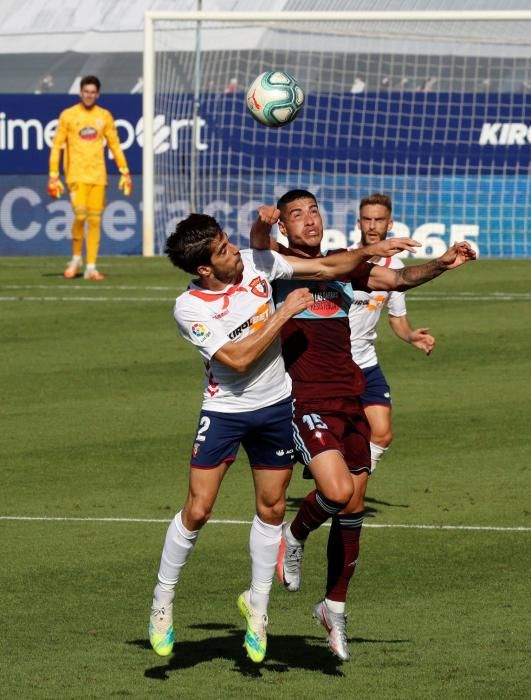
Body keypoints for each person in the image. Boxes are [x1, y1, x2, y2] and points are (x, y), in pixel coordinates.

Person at [148, 213, 418, 664]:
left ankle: (258, 606)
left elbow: (327, 269)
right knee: (198, 508)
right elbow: (236, 359)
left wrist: (368, 253)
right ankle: (163, 598)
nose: (233, 249)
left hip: (276, 408)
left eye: (228, 240)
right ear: (204, 270)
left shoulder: (258, 263)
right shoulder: (189, 308)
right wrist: (284, 313)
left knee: (271, 509)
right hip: (225, 412)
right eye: (221, 250)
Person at [250, 189, 475, 662]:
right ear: (284, 227)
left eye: (313, 210)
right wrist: (261, 225)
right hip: (304, 398)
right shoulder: (273, 267)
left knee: (352, 509)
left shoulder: (342, 262)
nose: (309, 220)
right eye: (297, 214)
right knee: (333, 493)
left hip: (350, 396)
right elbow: (257, 245)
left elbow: (395, 279)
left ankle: (334, 607)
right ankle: (294, 535)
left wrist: (441, 263)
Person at [349, 193, 435, 472]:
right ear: (358, 222)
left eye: (379, 220)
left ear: (390, 224)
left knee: (382, 433)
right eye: (367, 219)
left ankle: (354, 486)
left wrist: (411, 336)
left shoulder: (395, 268)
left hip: (366, 363)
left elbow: (397, 319)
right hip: (333, 366)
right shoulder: (342, 261)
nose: (372, 226)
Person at [47, 75, 132, 280]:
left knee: (94, 221)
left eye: (93, 92)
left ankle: (91, 267)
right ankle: (76, 258)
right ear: (81, 93)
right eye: (86, 92)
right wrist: (53, 175)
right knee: (80, 215)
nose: (89, 95)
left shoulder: (104, 116)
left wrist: (124, 171)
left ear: (98, 94)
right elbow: (57, 145)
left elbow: (114, 144)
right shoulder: (68, 115)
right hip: (76, 175)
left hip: (98, 176)